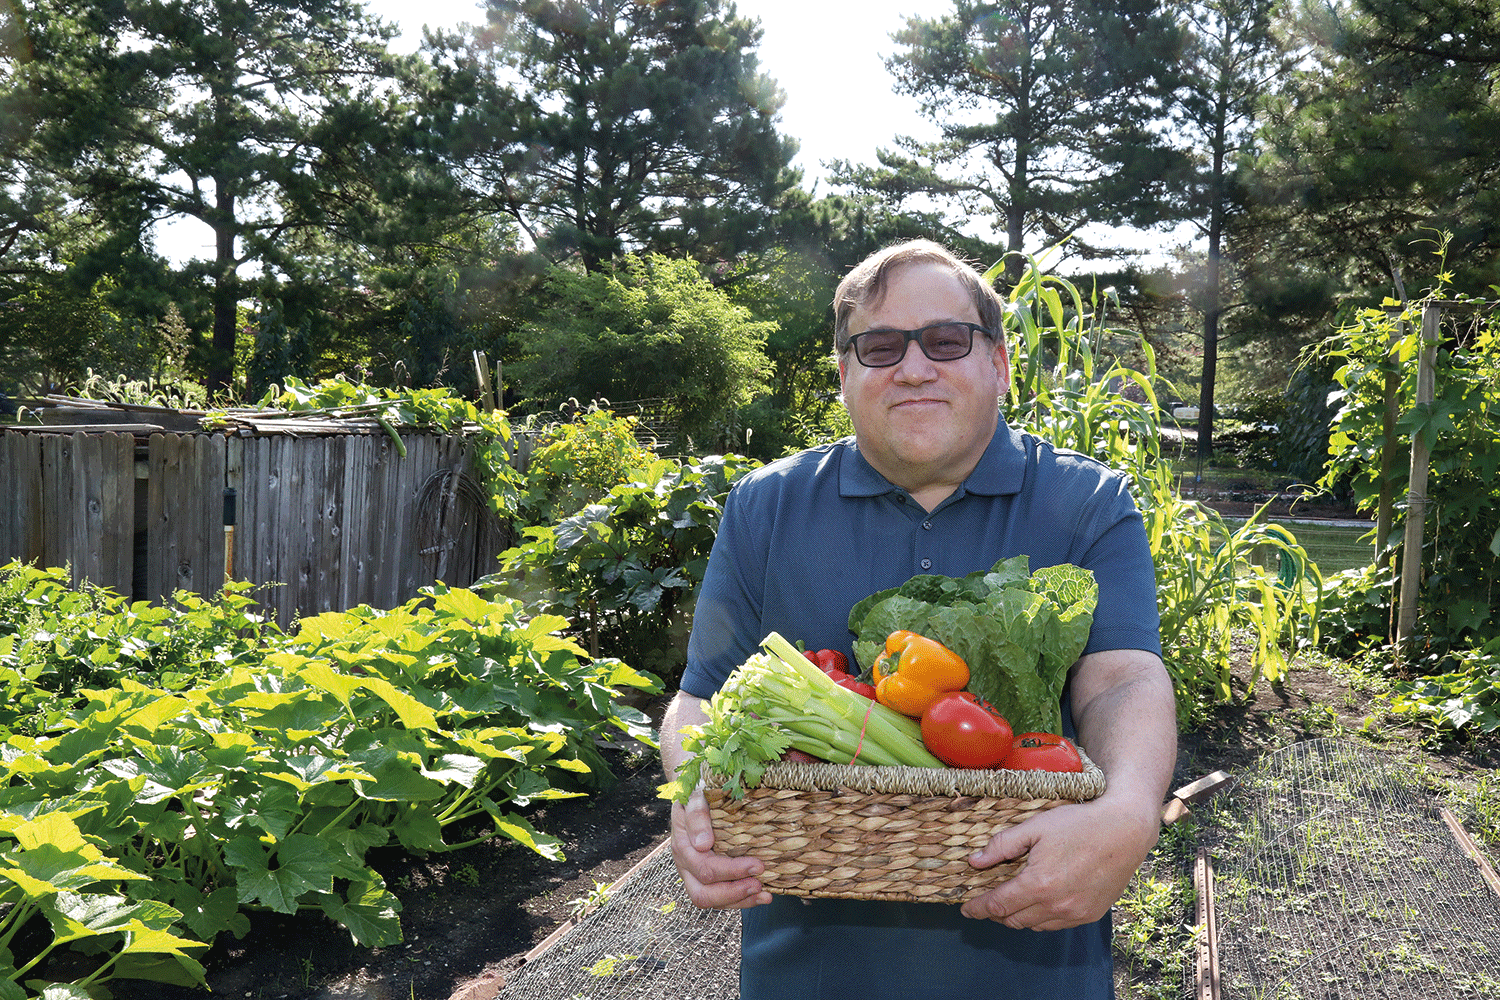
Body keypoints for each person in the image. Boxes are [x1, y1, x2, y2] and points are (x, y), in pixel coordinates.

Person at [661, 239, 1177, 998]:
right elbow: (701, 695)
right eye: (879, 347)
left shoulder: (1086, 503)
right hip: (811, 968)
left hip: (1033, 953)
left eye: (945, 340)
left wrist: (1132, 811)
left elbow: (1123, 679)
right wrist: (693, 792)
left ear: (998, 363)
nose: (913, 367)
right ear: (844, 376)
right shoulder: (765, 506)